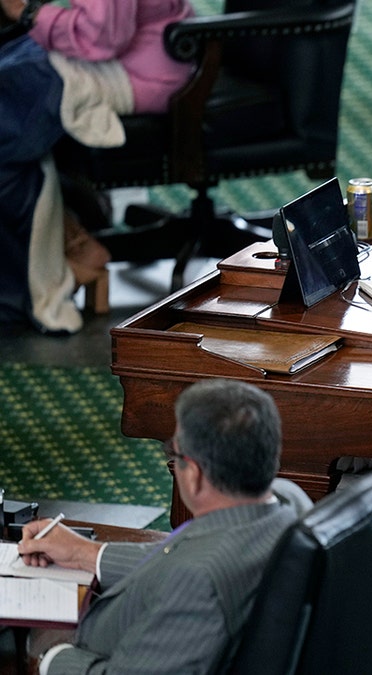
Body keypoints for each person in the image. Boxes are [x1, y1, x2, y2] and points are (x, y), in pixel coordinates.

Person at [17, 378, 306, 674]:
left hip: (92, 650)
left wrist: (50, 655)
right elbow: (190, 550)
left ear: (193, 474)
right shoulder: (289, 501)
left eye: (175, 452)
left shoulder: (197, 581)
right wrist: (87, 553)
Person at [0, 0, 194, 334]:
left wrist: (28, 13)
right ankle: (67, 245)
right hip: (132, 55)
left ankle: (45, 277)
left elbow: (102, 36)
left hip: (137, 70)